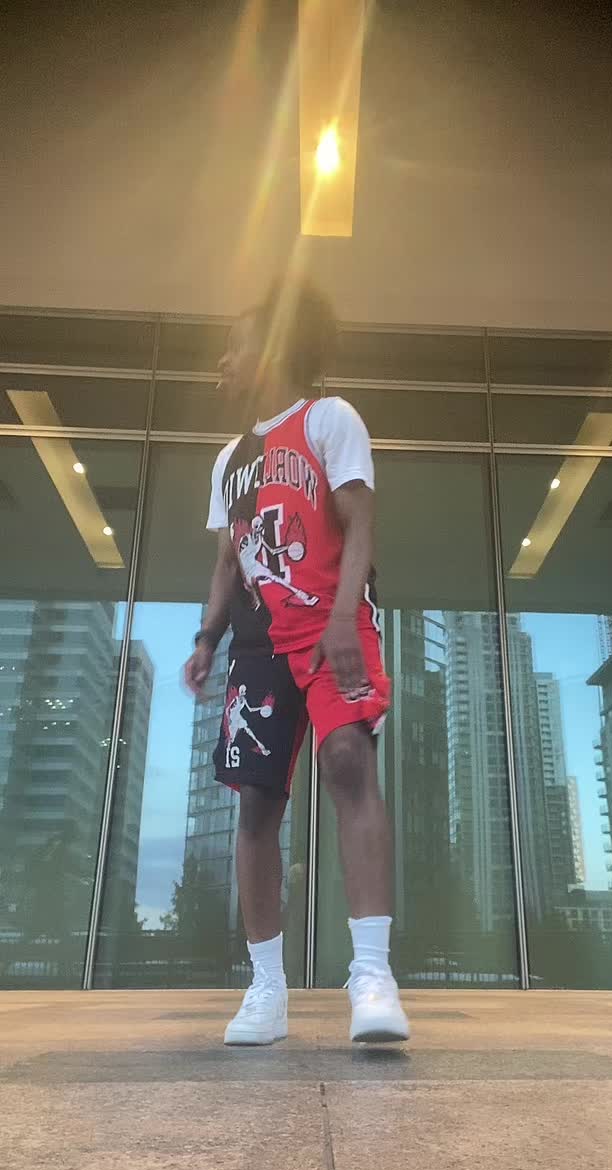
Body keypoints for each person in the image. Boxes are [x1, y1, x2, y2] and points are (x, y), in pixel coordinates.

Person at [183, 277, 409, 1047]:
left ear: (274, 346)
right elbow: (228, 560)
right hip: (258, 645)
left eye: (236, 344)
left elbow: (360, 522)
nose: (224, 359)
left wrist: (344, 617)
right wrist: (206, 639)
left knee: (347, 762)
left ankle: (371, 974)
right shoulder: (229, 460)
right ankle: (267, 990)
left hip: (332, 625)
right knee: (255, 804)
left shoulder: (330, 419)